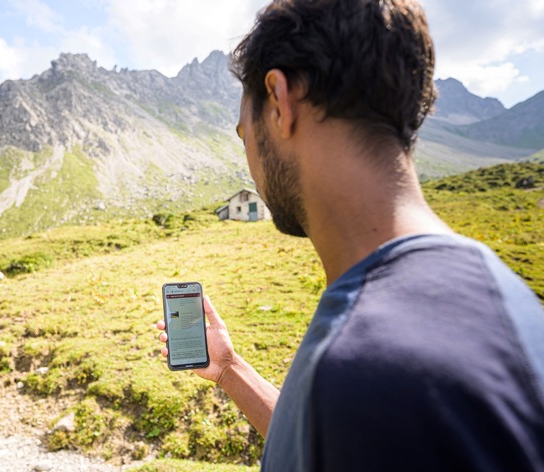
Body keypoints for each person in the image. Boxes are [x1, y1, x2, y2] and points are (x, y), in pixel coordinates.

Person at [156, 0, 544, 470]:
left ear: (279, 103)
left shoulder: (364, 366)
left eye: (244, 134)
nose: (250, 163)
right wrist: (231, 372)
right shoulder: (496, 296)